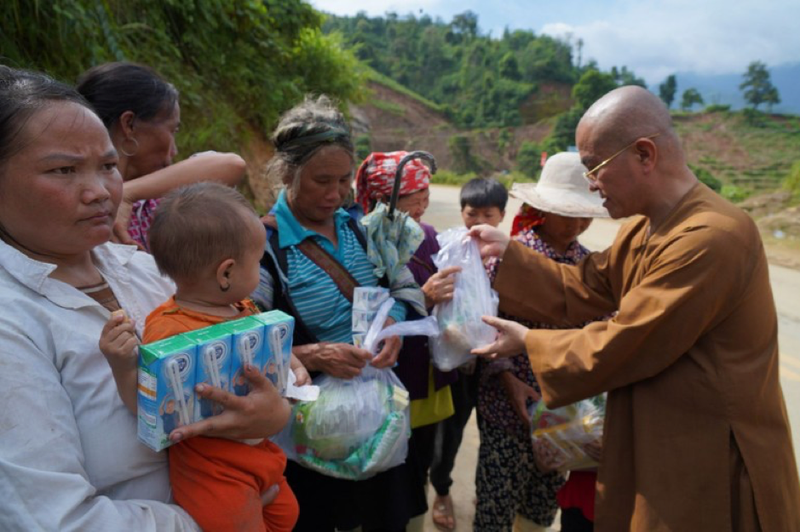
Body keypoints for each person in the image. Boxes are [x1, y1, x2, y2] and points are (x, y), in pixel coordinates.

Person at [471, 85, 800, 530]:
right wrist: (507, 251)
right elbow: (581, 286)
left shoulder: (711, 236)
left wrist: (530, 341)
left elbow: (628, 338)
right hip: (664, 444)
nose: (590, 183)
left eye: (595, 168)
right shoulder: (645, 229)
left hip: (710, 461)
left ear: (644, 155)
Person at [0, 65, 286, 531]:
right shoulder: (11, 321)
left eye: (109, 166)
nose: (99, 192)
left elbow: (242, 363)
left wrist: (272, 413)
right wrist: (208, 521)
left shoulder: (147, 269)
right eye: (63, 170)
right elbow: (58, 521)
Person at [100, 182, 308, 531]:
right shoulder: (169, 332)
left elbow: (269, 346)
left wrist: (292, 363)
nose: (260, 270)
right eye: (257, 261)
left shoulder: (243, 307)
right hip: (212, 474)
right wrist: (123, 367)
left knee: (287, 516)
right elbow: (146, 409)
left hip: (261, 456)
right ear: (226, 272)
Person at [254, 95, 418, 532]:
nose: (335, 193)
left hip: (377, 416)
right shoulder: (261, 247)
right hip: (312, 432)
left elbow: (401, 285)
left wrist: (392, 325)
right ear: (288, 173)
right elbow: (247, 338)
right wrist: (314, 355)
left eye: (345, 179)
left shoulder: (363, 228)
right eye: (321, 181)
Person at [476, 153, 609, 531]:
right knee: (496, 500)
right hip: (507, 404)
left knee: (541, 503)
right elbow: (478, 323)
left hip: (563, 413)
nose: (580, 224)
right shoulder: (506, 256)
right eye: (570, 213)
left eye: (587, 215)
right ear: (543, 209)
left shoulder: (589, 265)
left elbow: (601, 330)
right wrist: (505, 375)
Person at [355, 151, 460, 530]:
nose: (423, 202)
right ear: (384, 197)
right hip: (388, 378)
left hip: (427, 377)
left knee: (416, 463)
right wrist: (424, 297)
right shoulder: (364, 240)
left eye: (426, 191)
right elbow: (365, 312)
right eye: (412, 194)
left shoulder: (429, 236)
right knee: (385, 470)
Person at [77, 61, 246, 250]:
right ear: (129, 125)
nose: (174, 150)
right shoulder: (86, 204)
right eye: (172, 130)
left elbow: (232, 165)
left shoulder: (156, 199)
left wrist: (126, 193)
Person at [429, 176, 507, 531]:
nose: (478, 222)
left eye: (487, 215)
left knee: (494, 438)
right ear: (462, 213)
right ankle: (442, 489)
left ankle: (485, 493)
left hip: (498, 365)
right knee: (452, 432)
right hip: (459, 365)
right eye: (471, 213)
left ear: (502, 216)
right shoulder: (451, 249)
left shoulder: (508, 256)